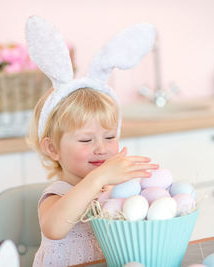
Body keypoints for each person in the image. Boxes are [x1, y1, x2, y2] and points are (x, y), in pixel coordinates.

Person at [25, 16, 158, 266]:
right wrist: (100, 177)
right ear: (52, 148)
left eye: (110, 137)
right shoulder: (56, 195)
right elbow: (54, 228)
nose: (101, 148)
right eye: (86, 139)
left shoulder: (114, 192)